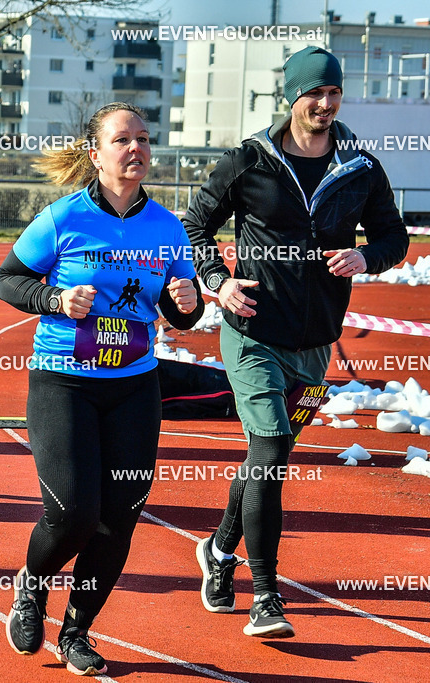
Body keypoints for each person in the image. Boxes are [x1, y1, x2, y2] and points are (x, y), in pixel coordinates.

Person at [183, 46, 408, 638]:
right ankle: (265, 595)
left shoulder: (360, 166)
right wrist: (217, 282)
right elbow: (194, 226)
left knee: (269, 455)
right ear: (292, 97)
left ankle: (218, 548)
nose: (326, 105)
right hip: (253, 332)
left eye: (334, 94)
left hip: (315, 343)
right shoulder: (249, 161)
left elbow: (394, 237)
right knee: (274, 448)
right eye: (316, 94)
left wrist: (368, 255)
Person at [0, 102, 202, 675]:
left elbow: (176, 308)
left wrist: (188, 306)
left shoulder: (166, 227)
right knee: (74, 513)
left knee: (122, 516)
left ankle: (77, 632)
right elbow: (8, 280)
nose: (135, 148)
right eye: (122, 139)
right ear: (96, 153)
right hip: (64, 382)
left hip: (134, 386)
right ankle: (32, 584)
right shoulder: (63, 218)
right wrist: (55, 301)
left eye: (143, 139)